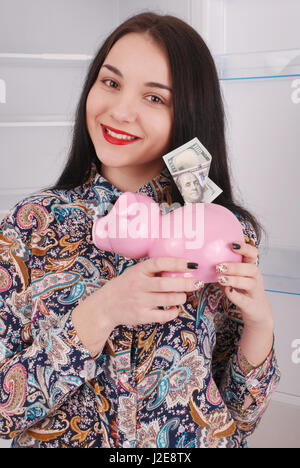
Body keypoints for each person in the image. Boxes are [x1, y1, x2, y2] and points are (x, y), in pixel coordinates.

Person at [0, 12, 280, 448]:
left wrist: (260, 324)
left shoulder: (224, 231)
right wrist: (99, 314)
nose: (120, 110)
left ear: (187, 114)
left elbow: (239, 421)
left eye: (155, 98)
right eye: (111, 83)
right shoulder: (29, 226)